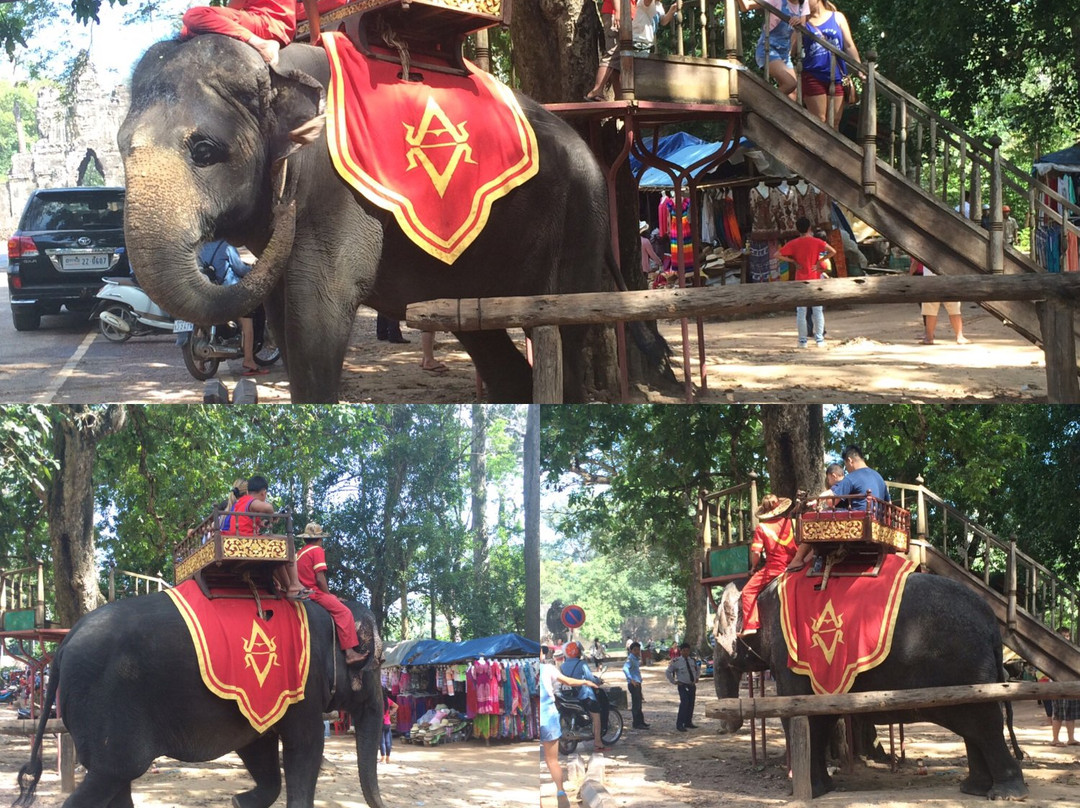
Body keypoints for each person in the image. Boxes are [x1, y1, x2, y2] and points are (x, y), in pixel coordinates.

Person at [296, 523, 369, 666]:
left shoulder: (298, 554)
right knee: (344, 612)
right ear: (319, 539)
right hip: (313, 592)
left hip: (301, 592)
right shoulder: (317, 550)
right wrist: (328, 595)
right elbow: (320, 577)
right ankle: (350, 653)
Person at [226, 475, 309, 599]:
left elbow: (252, 521)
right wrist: (271, 514)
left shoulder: (240, 503)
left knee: (278, 549)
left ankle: (290, 587)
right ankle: (295, 583)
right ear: (264, 493)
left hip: (239, 540)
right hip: (246, 542)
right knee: (287, 543)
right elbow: (268, 508)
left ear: (248, 491)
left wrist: (265, 522)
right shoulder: (252, 502)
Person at [180, 0, 322, 66]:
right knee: (187, 31)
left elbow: (234, 7)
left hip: (264, 23)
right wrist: (315, 38)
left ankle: (260, 44)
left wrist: (315, 39)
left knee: (193, 16)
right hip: (273, 27)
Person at [199, 240, 266, 376]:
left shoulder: (201, 249)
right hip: (229, 292)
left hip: (208, 293)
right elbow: (239, 268)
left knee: (203, 322)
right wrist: (254, 270)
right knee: (248, 322)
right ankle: (248, 360)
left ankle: (200, 362)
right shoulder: (226, 246)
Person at [541, 647, 595, 808]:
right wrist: (586, 681)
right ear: (542, 654)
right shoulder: (548, 668)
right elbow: (568, 681)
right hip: (548, 716)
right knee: (552, 761)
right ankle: (560, 792)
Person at [739, 494, 796, 636]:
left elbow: (756, 553)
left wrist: (754, 567)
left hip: (775, 568)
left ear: (764, 512)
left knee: (748, 592)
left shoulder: (762, 528)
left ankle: (751, 625)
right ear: (780, 507)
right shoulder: (793, 523)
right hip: (796, 565)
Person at [800, 0, 860, 127]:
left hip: (837, 76)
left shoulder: (837, 17)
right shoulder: (803, 22)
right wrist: (797, 25)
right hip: (813, 75)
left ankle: (831, 148)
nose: (802, 2)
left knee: (834, 122)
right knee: (819, 120)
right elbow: (793, 49)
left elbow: (849, 46)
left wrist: (860, 68)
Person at [779, 216, 836, 348]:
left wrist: (793, 261)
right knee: (818, 310)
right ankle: (820, 339)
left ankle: (802, 341)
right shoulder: (816, 241)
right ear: (809, 228)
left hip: (800, 279)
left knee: (801, 312)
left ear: (797, 229)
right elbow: (833, 251)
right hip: (815, 278)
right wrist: (819, 262)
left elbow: (777, 254)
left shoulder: (793, 243)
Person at [740, 0, 808, 100]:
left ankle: (780, 114)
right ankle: (762, 104)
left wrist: (798, 23)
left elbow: (802, 27)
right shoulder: (777, 0)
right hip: (767, 49)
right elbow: (746, 6)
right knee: (790, 83)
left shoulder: (803, 4)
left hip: (784, 53)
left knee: (794, 93)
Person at [560, 641, 610, 750]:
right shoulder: (581, 664)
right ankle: (597, 742)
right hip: (584, 695)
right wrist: (598, 681)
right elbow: (590, 678)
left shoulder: (563, 666)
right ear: (578, 652)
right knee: (596, 716)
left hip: (570, 697)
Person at [909, 260, 969, 344]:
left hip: (931, 279)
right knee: (954, 309)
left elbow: (915, 262)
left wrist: (910, 275)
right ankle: (959, 336)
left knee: (931, 311)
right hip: (949, 277)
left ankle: (929, 338)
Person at [585, 0, 635, 101]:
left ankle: (619, 96)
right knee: (613, 52)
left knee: (618, 58)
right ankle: (597, 90)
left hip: (624, 14)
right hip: (616, 13)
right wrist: (617, 11)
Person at [1051, 627, 1080, 746]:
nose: (1066, 638)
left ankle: (1071, 738)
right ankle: (1055, 739)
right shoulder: (1053, 650)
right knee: (1058, 714)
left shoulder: (1071, 650)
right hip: (1058, 684)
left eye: (1067, 636)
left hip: (1071, 684)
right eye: (1063, 635)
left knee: (1071, 714)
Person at [665, 642, 700, 731]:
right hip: (683, 685)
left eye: (687, 651)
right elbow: (668, 672)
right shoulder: (676, 661)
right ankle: (680, 724)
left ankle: (688, 722)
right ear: (680, 651)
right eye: (684, 650)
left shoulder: (692, 660)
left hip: (691, 685)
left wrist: (697, 677)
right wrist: (674, 681)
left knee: (691, 704)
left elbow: (697, 669)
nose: (686, 652)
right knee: (684, 703)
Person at [624, 641, 649, 729]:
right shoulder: (630, 659)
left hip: (638, 683)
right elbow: (625, 669)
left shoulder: (635, 659)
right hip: (633, 684)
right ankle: (636, 723)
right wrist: (631, 680)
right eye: (635, 650)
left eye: (638, 650)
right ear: (631, 651)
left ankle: (641, 721)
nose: (637, 651)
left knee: (639, 704)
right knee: (636, 704)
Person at [380, 688, 398, 763]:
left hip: (380, 723)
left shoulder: (378, 700)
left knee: (382, 741)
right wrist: (389, 714)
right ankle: (388, 758)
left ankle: (383, 758)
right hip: (387, 723)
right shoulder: (387, 700)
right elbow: (396, 706)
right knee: (388, 741)